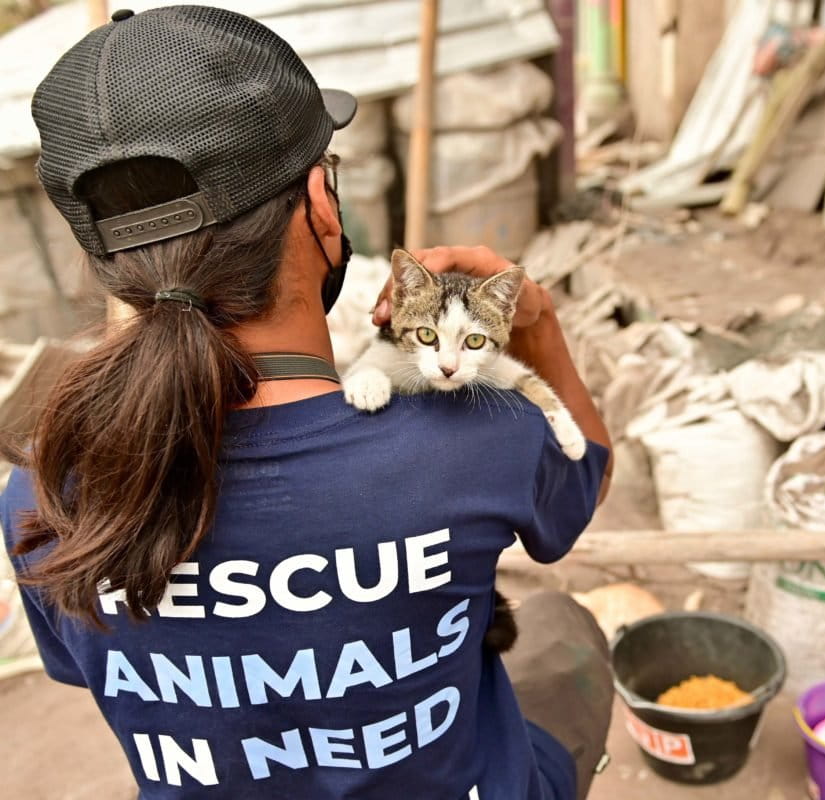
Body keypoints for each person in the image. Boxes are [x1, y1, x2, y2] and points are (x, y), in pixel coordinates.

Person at [0, 6, 614, 800]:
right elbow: (586, 478)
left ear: (106, 262)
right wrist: (540, 323)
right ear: (322, 206)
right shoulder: (478, 437)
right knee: (564, 627)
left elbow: (90, 672)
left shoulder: (45, 491)